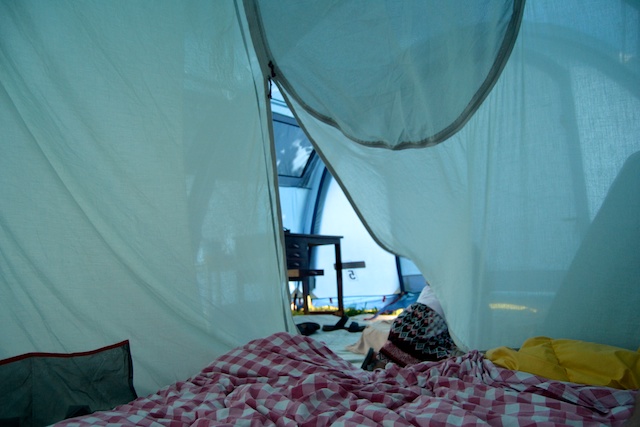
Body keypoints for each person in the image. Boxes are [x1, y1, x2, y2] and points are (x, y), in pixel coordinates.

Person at [363, 285, 459, 370]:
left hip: (417, 313)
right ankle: (380, 363)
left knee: (410, 355)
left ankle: (380, 363)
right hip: (426, 314)